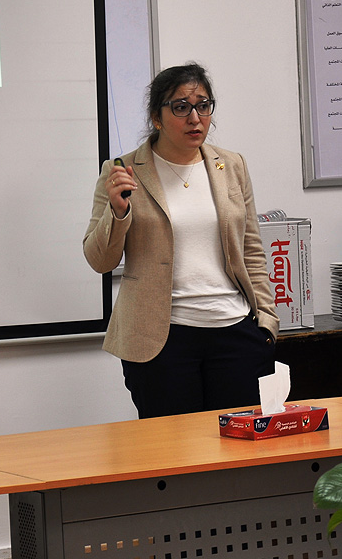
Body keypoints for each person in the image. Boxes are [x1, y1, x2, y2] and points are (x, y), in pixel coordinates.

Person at [83, 62, 278, 418]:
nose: (195, 118)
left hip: (235, 333)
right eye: (181, 107)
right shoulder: (122, 171)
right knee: (173, 447)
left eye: (203, 106)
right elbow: (100, 260)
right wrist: (118, 212)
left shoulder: (231, 165)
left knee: (239, 444)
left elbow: (251, 248)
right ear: (156, 117)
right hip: (161, 342)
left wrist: (266, 319)